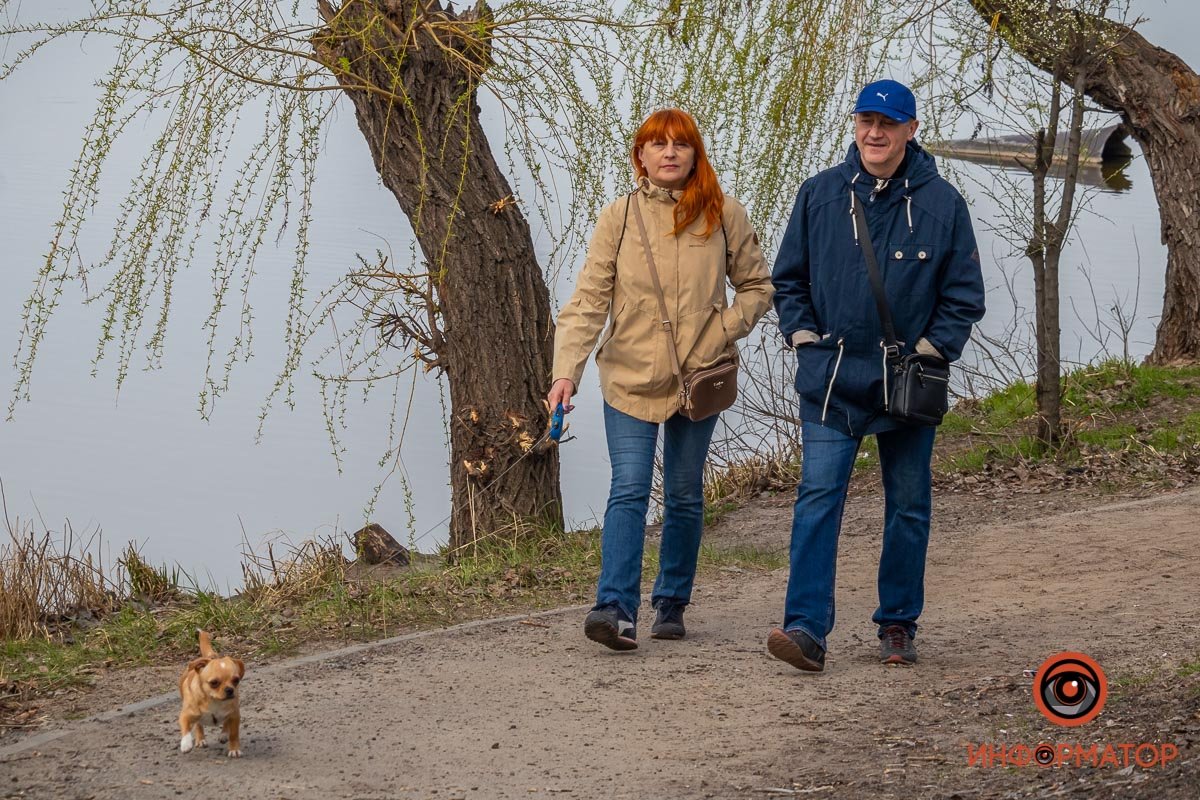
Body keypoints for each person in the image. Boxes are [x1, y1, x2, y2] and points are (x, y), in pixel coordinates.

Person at [767, 80, 985, 671]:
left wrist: (931, 349)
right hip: (832, 379)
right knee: (817, 500)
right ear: (856, 125)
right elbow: (788, 280)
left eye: (888, 123)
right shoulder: (819, 195)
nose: (875, 133)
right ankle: (806, 629)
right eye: (866, 121)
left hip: (906, 384)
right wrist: (802, 337)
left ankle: (897, 624)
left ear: (911, 130)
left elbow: (963, 296)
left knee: (908, 505)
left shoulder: (944, 205)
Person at [548, 108, 774, 651]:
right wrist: (565, 373)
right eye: (658, 144)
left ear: (696, 154)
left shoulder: (723, 214)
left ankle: (671, 601)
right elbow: (587, 302)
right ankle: (615, 608)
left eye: (680, 144)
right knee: (627, 489)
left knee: (683, 493)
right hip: (629, 376)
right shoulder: (619, 218)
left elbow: (758, 288)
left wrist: (722, 329)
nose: (669, 153)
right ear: (641, 156)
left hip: (699, 377)